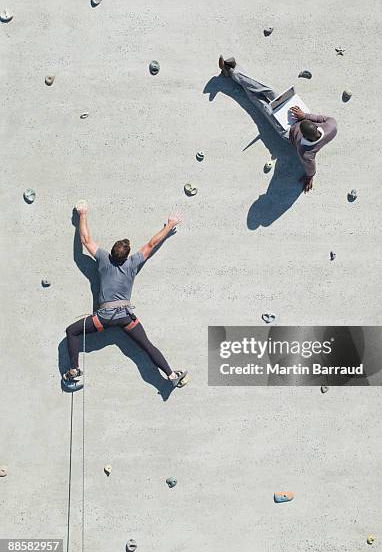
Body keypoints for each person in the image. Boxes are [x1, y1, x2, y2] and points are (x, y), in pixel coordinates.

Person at [62, 204, 187, 389]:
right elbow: (152, 244)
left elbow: (86, 240)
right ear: (127, 255)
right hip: (125, 318)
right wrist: (169, 225)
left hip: (102, 319)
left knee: (72, 331)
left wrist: (82, 214)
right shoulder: (133, 263)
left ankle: (74, 371)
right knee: (146, 346)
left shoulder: (104, 259)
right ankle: (171, 374)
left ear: (111, 252)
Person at [218, 56, 337, 193]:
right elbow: (323, 118)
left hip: (287, 130)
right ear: (316, 126)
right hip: (297, 113)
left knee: (260, 102)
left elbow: (310, 168)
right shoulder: (332, 127)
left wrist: (310, 177)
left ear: (304, 136)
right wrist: (304, 116)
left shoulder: (306, 153)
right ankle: (235, 70)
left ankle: (232, 72)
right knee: (267, 90)